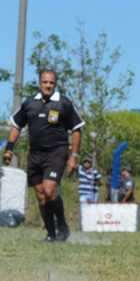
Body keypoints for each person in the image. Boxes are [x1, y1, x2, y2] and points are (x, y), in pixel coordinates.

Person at [3, 70, 85, 242]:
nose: (48, 85)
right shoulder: (29, 103)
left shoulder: (64, 103)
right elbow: (16, 126)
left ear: (55, 84)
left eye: (51, 83)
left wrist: (74, 156)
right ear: (39, 83)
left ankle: (62, 226)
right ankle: (50, 234)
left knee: (50, 190)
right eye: (45, 82)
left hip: (57, 152)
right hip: (35, 154)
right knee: (41, 195)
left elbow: (76, 129)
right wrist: (9, 149)